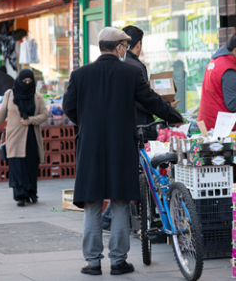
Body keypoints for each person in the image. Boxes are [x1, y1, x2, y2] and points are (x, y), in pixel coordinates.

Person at [63, 27, 183, 277]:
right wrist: (174, 116)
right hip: (121, 145)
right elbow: (151, 100)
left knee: (92, 202)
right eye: (125, 46)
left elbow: (69, 108)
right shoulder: (131, 72)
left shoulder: (80, 74)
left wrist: (87, 124)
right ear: (119, 47)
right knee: (120, 200)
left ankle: (93, 262)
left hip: (91, 146)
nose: (125, 50)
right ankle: (118, 261)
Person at [100, 25, 179, 233]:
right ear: (138, 44)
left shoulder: (117, 66)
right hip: (140, 127)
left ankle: (115, 217)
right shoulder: (135, 67)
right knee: (138, 172)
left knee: (130, 172)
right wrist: (168, 109)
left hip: (121, 128)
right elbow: (144, 100)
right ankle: (111, 217)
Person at [0, 69, 48, 207]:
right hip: (15, 138)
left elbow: (44, 115)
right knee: (17, 166)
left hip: (32, 138)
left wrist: (31, 120)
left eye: (30, 81)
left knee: (31, 166)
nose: (27, 84)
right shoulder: (9, 95)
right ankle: (20, 195)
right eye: (24, 81)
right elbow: (1, 114)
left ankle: (31, 192)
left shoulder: (37, 97)